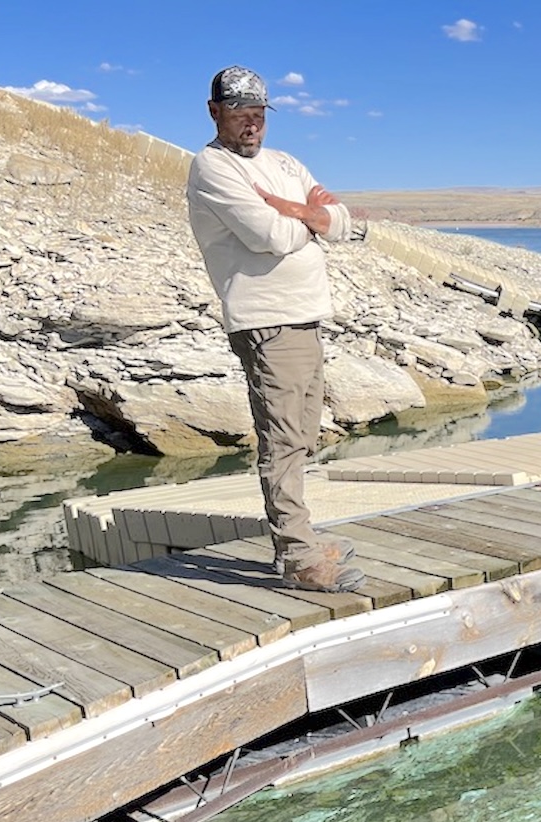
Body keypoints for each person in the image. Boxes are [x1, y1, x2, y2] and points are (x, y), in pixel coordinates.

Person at [186, 65, 363, 593]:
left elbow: (343, 221)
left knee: (303, 434)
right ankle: (298, 555)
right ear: (215, 112)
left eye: (259, 113)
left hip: (306, 315)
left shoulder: (284, 163)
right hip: (266, 321)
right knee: (282, 439)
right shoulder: (212, 167)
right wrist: (308, 220)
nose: (252, 123)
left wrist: (295, 210)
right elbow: (271, 237)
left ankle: (301, 535)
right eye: (240, 113)